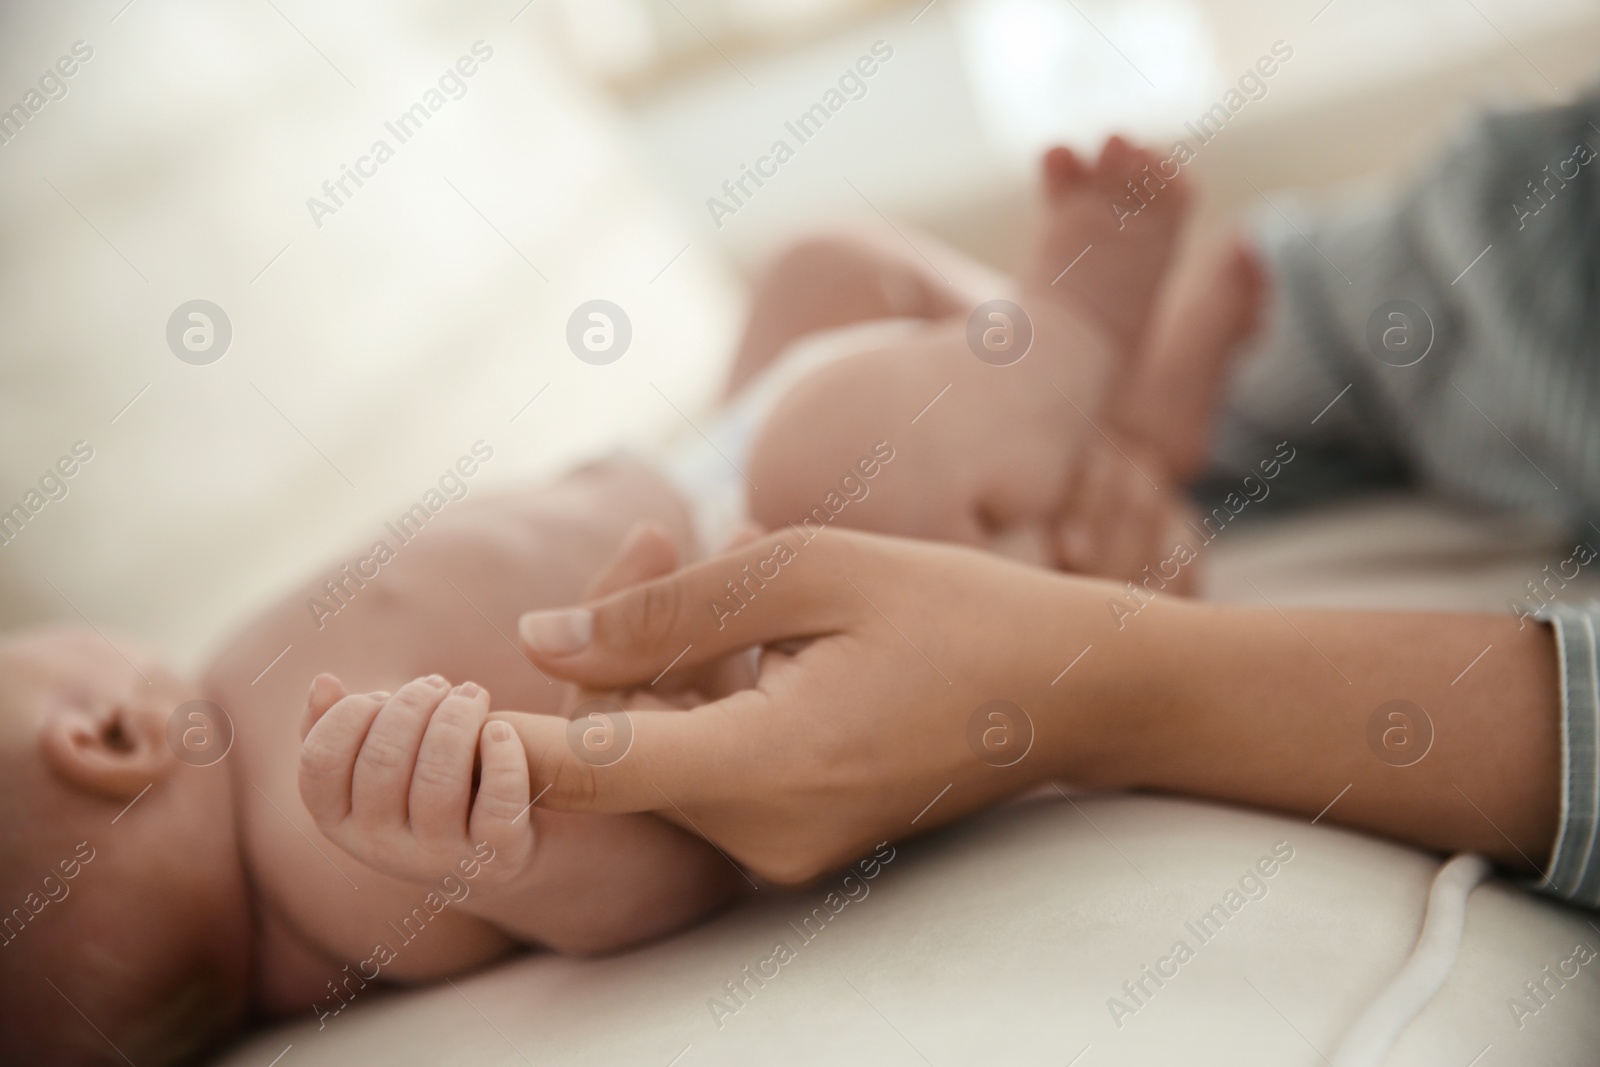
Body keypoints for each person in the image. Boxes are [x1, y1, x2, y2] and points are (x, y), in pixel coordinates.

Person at [0, 138, 1216, 1066]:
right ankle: (1073, 330)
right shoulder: (335, 847)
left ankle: (1102, 439)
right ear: (101, 736)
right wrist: (527, 858)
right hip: (776, 590)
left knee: (818, 273)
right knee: (835, 433)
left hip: (698, 474)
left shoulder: (248, 729)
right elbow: (661, 878)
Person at [500, 89, 1600, 909]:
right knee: (832, 372)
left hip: (737, 491)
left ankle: (1066, 356)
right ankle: (1089, 395)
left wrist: (1098, 682)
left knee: (825, 334)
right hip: (731, 518)